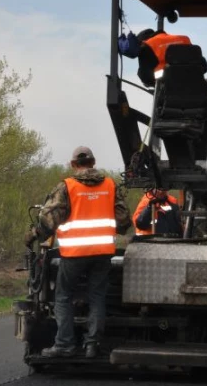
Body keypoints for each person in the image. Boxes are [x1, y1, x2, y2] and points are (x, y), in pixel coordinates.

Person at [23, 146, 132, 358]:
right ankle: (92, 344)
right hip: (103, 253)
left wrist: (33, 235)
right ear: (93, 162)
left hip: (74, 254)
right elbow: (124, 221)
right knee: (97, 296)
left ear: (74, 165)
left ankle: (65, 344)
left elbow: (49, 220)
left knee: (63, 296)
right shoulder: (109, 185)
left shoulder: (67, 187)